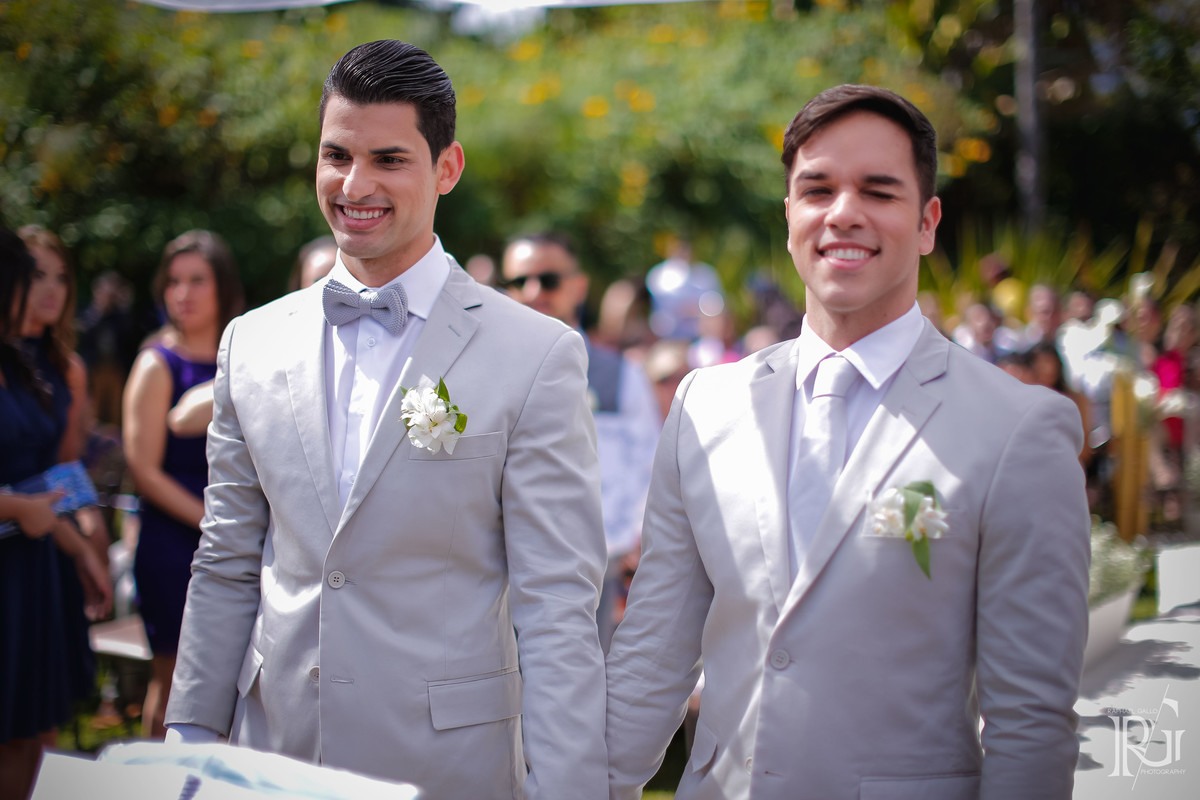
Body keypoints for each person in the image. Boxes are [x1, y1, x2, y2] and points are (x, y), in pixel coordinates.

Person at [604, 85, 1091, 799]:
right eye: (818, 189)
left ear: (927, 223)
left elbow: (1031, 722)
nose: (843, 213)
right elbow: (653, 653)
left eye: (878, 191)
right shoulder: (705, 405)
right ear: (789, 215)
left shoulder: (1018, 428)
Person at [165, 40, 607, 799]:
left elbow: (557, 604)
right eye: (336, 156)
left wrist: (566, 787)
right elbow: (228, 560)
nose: (354, 185)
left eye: (389, 160)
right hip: (274, 756)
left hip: (446, 767)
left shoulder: (536, 354)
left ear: (447, 168)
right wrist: (190, 736)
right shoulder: (251, 341)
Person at [501, 233, 661, 650]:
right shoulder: (484, 369)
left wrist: (626, 541)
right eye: (517, 282)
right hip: (499, 571)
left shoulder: (619, 374)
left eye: (548, 280)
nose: (532, 292)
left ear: (578, 286)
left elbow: (647, 461)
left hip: (592, 568)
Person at [0, 227, 110, 800]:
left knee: (34, 726)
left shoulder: (51, 365)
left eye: (58, 277)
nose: (46, 289)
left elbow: (61, 471)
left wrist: (85, 536)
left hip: (42, 544)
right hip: (17, 545)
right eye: (32, 275)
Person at [122, 230, 245, 739]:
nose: (182, 293)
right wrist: (212, 521)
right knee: (175, 679)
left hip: (238, 536)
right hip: (174, 542)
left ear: (223, 286)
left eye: (197, 280)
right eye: (173, 282)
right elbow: (143, 470)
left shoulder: (246, 352)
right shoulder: (156, 362)